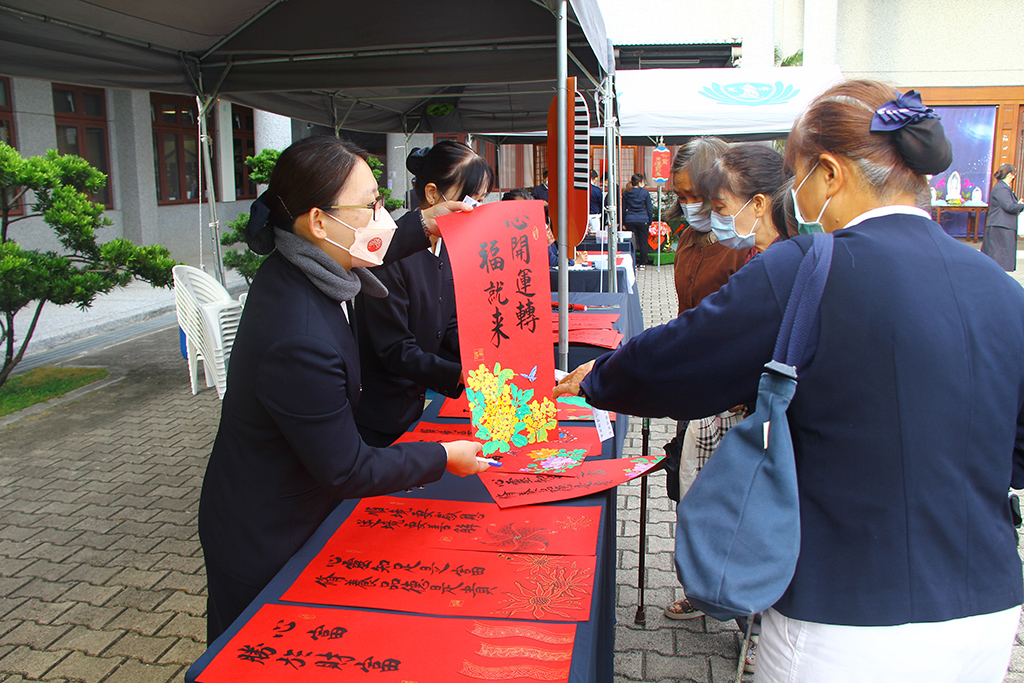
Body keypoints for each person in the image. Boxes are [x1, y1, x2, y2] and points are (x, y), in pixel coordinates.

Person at [555, 81, 1024, 681]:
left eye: (798, 177)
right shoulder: (997, 286)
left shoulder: (811, 269)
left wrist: (601, 378)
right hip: (983, 612)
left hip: (846, 614)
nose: (793, 197)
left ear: (828, 173)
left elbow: (685, 358)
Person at [198, 136, 489, 644]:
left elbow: (377, 246)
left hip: (289, 500)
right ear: (318, 221)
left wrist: (429, 223)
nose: (383, 216)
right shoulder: (300, 338)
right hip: (264, 529)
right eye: (372, 204)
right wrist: (445, 456)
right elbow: (347, 466)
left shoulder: (310, 262)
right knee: (253, 651)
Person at [353, 141, 494, 446]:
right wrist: (462, 375)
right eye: (470, 199)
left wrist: (488, 356)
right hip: (379, 411)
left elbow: (449, 324)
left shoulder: (446, 245)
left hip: (416, 405)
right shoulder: (390, 253)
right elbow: (395, 350)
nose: (475, 210)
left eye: (481, 201)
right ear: (433, 194)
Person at [981, 164, 1023, 271]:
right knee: (1000, 257)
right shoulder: (1002, 188)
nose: (1014, 177)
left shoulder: (1002, 187)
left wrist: (1018, 204)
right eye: (1013, 174)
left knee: (999, 256)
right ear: (1009, 174)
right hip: (1001, 226)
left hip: (1002, 225)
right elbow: (1008, 207)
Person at [622, 173, 654, 265]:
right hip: (643, 219)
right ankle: (643, 263)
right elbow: (649, 209)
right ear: (640, 183)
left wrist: (624, 221)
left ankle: (632, 262)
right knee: (643, 242)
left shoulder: (626, 192)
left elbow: (623, 208)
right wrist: (649, 220)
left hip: (630, 219)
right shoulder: (645, 193)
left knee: (632, 242)